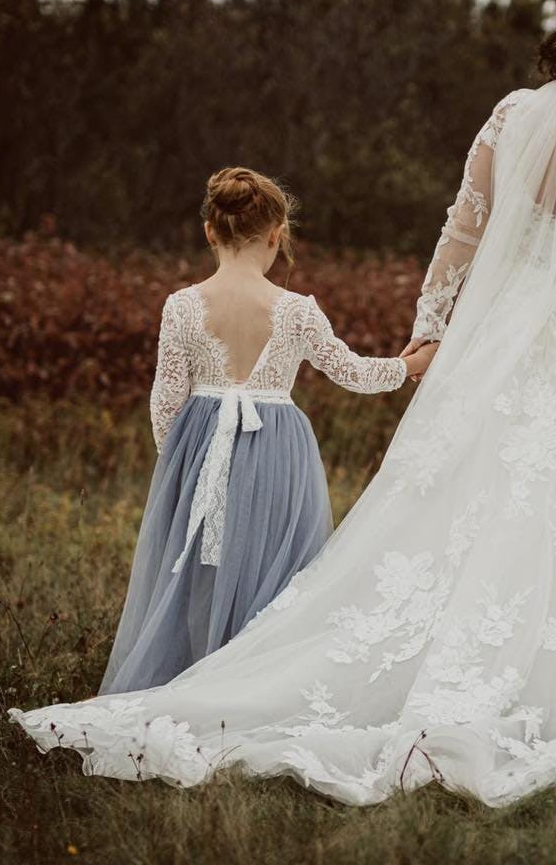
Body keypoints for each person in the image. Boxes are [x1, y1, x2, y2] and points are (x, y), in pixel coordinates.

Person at [10, 0, 556, 806]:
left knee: (490, 497)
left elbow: (460, 231)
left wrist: (432, 327)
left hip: (509, 330)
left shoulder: (512, 117)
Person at [99, 167, 436, 694]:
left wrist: (181, 470)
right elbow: (351, 372)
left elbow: (165, 400)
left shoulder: (182, 306)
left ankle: (197, 670)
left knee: (201, 574)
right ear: (278, 236)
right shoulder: (297, 311)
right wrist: (409, 365)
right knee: (274, 572)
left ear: (211, 231)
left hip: (200, 451)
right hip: (277, 453)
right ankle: (254, 681)